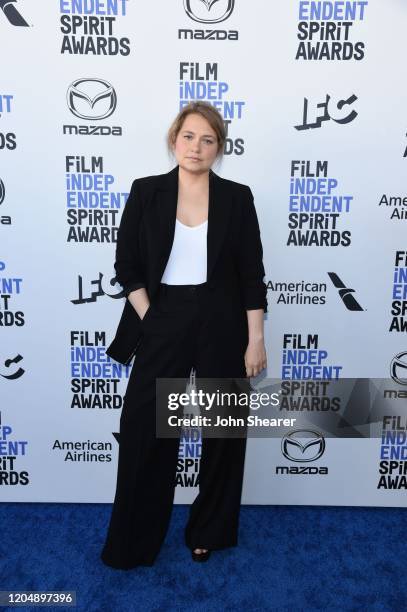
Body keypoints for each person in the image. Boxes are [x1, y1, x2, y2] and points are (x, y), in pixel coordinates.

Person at [100, 101, 268, 568]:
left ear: (219, 148)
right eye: (189, 136)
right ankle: (134, 540)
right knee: (146, 431)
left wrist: (255, 338)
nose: (197, 147)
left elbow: (252, 273)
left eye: (208, 139)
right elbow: (127, 266)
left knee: (224, 432)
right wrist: (150, 316)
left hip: (224, 319)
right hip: (163, 314)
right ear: (174, 140)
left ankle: (208, 530)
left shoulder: (238, 197)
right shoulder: (147, 191)